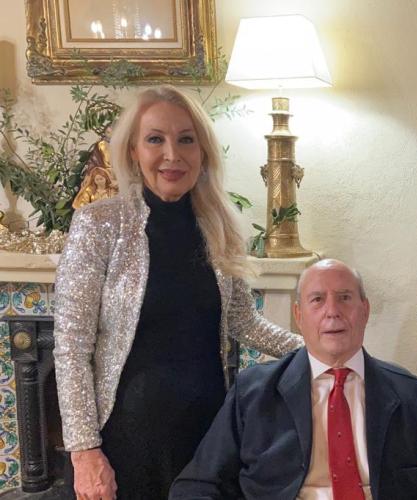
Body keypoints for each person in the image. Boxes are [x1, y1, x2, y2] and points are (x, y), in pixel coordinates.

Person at [54, 85, 304, 500]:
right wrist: (84, 452)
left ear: (202, 152)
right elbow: (71, 347)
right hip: (123, 444)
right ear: (133, 150)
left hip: (208, 437)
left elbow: (244, 322)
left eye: (186, 139)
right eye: (155, 139)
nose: (172, 155)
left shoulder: (219, 226)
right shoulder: (99, 224)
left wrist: (317, 351)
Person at [169, 259, 417, 500]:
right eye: (317, 300)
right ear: (299, 316)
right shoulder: (252, 394)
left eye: (345, 297)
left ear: (364, 310)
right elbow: (196, 486)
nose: (332, 311)